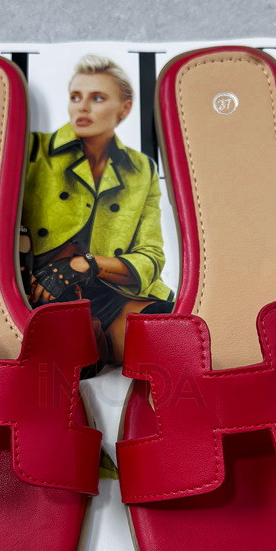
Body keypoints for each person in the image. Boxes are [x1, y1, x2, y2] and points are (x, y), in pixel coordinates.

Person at [21, 54, 173, 367]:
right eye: (76, 97)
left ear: (125, 108)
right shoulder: (33, 149)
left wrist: (87, 264)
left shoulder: (141, 168)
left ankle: (94, 346)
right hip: (40, 296)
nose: (82, 107)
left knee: (171, 337)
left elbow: (151, 256)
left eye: (97, 98)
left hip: (111, 293)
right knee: (66, 358)